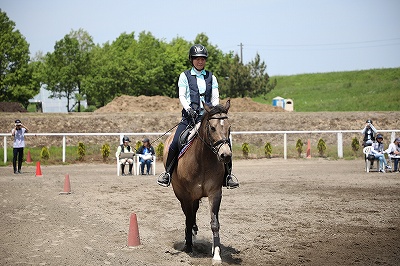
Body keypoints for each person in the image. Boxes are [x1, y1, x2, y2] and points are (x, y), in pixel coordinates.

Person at [157, 44, 239, 189]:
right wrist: (188, 109)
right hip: (190, 118)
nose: (200, 61)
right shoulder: (185, 76)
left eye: (202, 59)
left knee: (225, 141)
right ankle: (168, 173)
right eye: (197, 59)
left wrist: (212, 111)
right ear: (192, 60)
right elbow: (182, 95)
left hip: (208, 118)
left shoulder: (211, 77)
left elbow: (215, 97)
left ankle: (228, 176)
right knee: (176, 141)